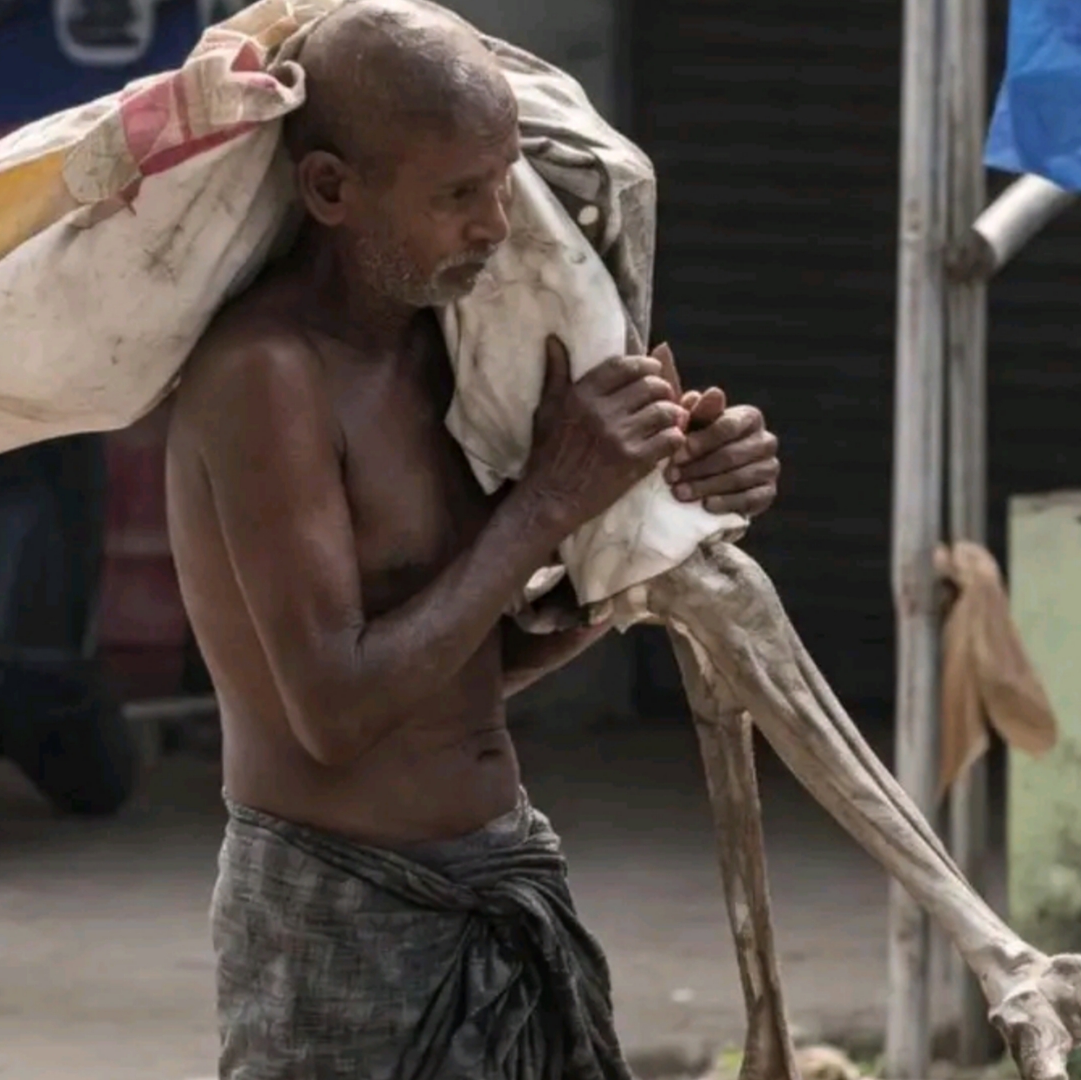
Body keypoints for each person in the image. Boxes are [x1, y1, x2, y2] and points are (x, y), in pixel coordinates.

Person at [164, 1, 782, 1076]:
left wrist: (671, 511)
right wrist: (549, 500)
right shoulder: (266, 378)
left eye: (502, 182)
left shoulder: (453, 352)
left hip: (505, 877)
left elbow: (474, 673)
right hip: (341, 918)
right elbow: (338, 710)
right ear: (331, 192)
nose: (495, 225)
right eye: (456, 195)